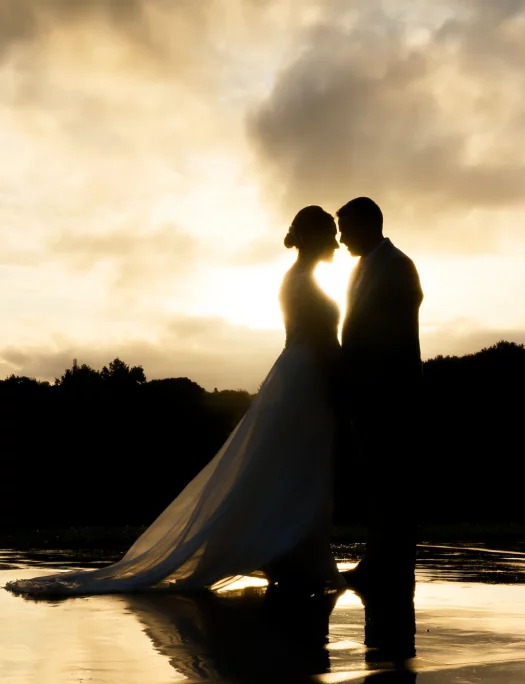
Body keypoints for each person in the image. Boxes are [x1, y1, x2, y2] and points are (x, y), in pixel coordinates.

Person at [6, 207, 344, 597]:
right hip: (307, 377)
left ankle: (289, 553)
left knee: (286, 468)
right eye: (330, 235)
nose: (334, 244)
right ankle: (288, 554)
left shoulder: (296, 279)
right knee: (295, 468)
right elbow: (321, 342)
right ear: (316, 237)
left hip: (297, 374)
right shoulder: (303, 281)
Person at [336, 197, 423, 595]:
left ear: (367, 225)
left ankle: (393, 563)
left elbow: (393, 334)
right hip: (368, 389)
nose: (340, 239)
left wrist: (369, 377)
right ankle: (380, 560)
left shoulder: (398, 266)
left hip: (390, 389)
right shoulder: (363, 267)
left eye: (345, 229)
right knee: (378, 478)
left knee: (392, 478)